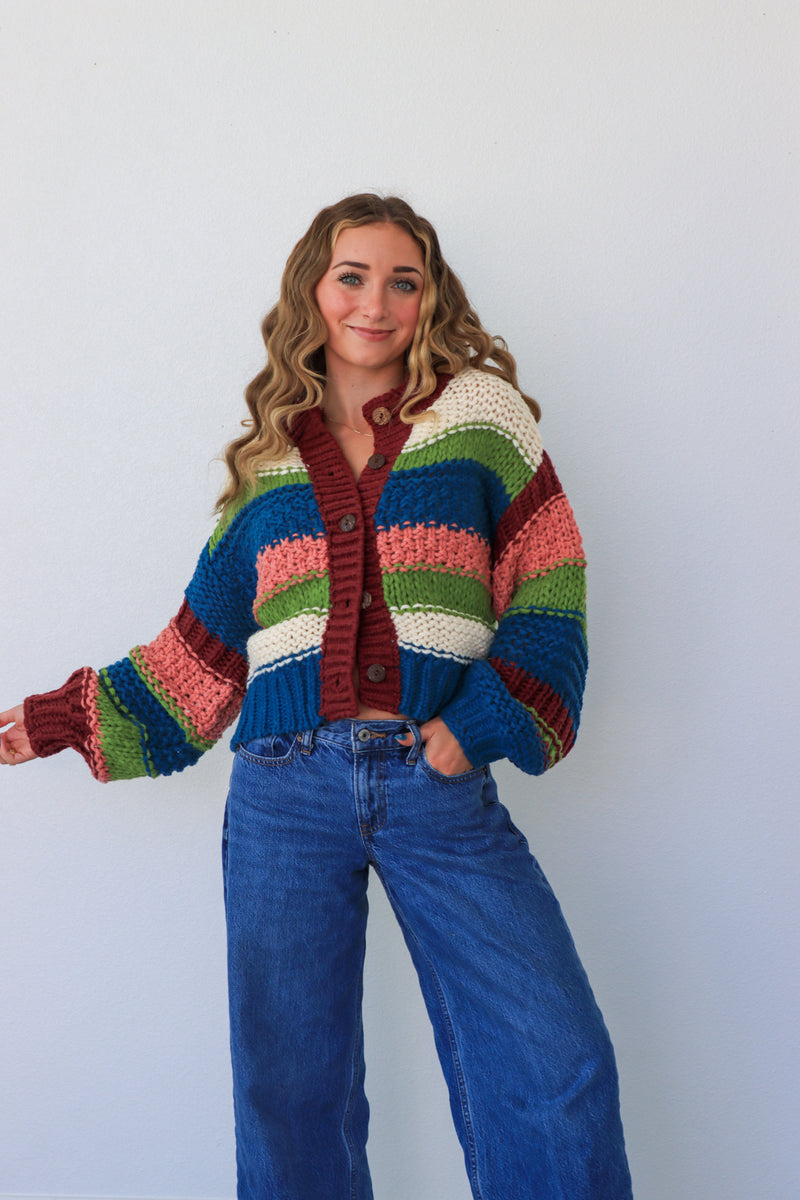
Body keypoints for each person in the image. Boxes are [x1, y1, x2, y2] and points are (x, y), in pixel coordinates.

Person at [0, 194, 633, 1199]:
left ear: (429, 299)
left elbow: (549, 587)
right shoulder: (269, 461)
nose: (375, 303)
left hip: (434, 783)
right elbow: (200, 655)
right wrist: (54, 718)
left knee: (555, 1064)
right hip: (282, 793)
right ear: (313, 290)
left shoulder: (480, 418)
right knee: (290, 1092)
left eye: (402, 281)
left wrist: (474, 726)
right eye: (352, 277)